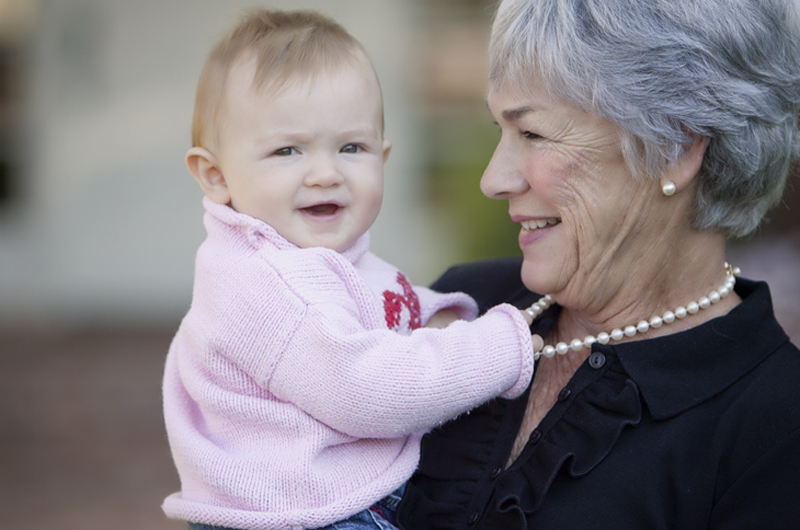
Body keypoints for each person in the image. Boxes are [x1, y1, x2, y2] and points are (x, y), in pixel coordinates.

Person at [396, 0, 800, 528]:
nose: (492, 180)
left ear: (674, 147)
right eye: (499, 130)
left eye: (533, 134)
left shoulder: (776, 426)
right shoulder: (462, 306)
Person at [161, 9, 539, 530]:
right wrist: (496, 349)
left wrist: (435, 315)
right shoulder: (264, 284)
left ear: (382, 157)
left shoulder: (307, 252)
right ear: (215, 175)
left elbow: (372, 297)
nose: (325, 173)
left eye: (351, 148)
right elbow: (365, 390)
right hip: (298, 516)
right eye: (287, 150)